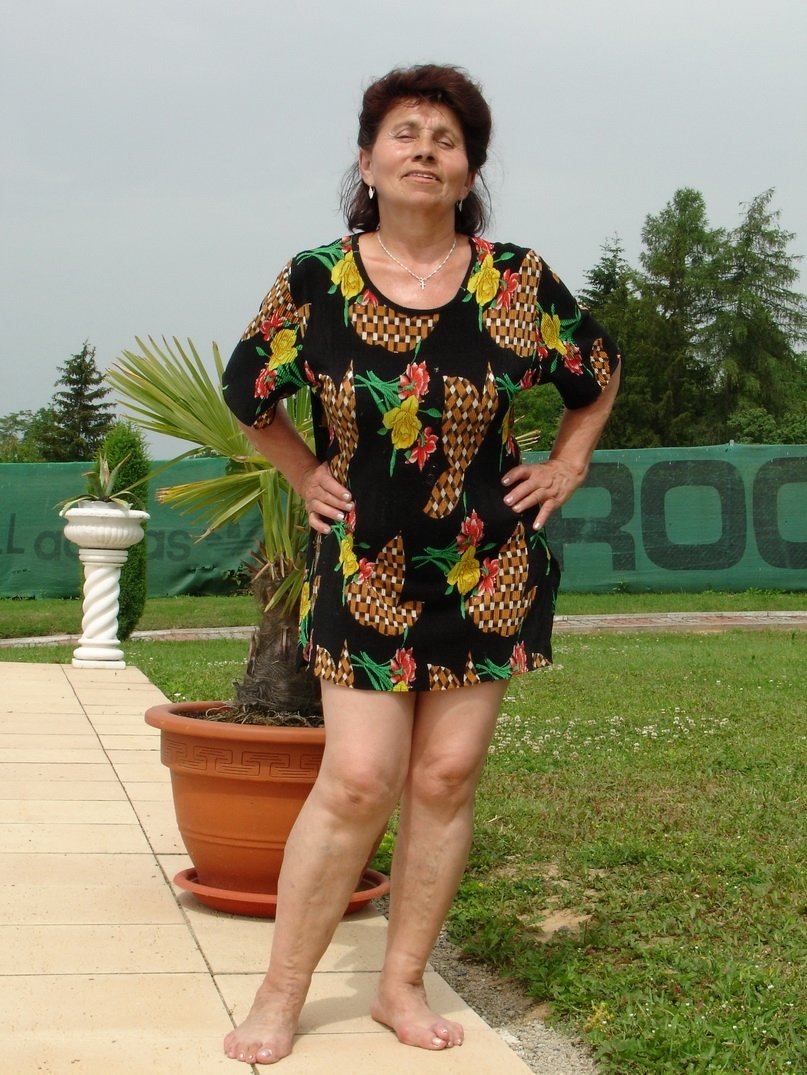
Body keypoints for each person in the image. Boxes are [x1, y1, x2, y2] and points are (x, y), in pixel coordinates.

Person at [220, 63, 621, 1066]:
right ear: (367, 161)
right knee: (359, 778)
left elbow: (597, 373)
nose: (425, 151)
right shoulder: (316, 279)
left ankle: (400, 986)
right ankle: (279, 992)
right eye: (405, 133)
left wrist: (568, 463)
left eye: (447, 139)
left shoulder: (516, 280)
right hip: (362, 560)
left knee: (444, 775)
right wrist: (303, 471)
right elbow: (247, 388)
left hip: (488, 562)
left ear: (468, 170)